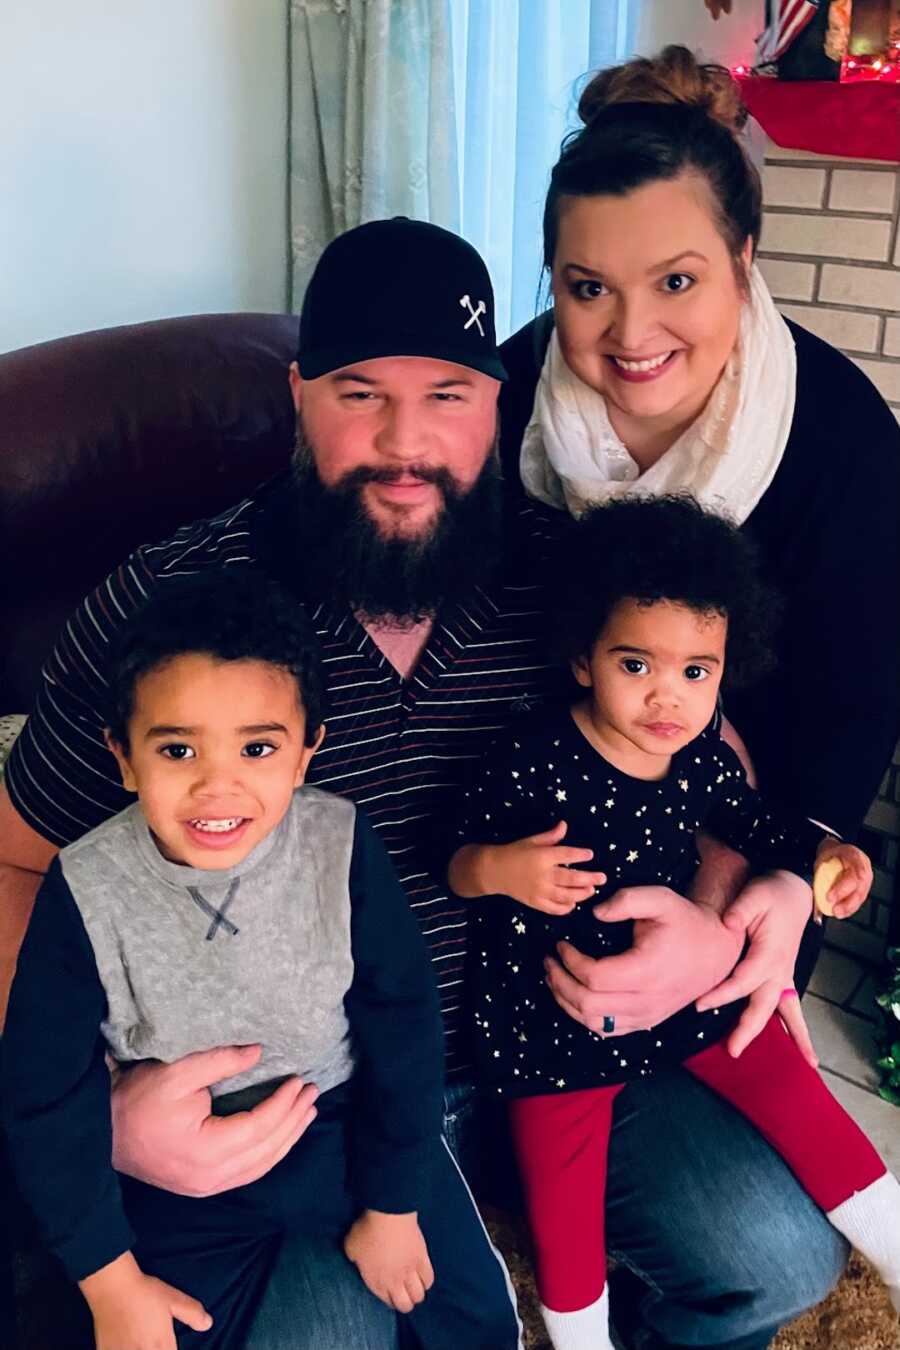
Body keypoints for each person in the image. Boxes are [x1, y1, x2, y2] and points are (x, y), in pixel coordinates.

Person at [0, 216, 850, 1350]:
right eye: (360, 393)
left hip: (559, 1030)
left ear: (498, 401)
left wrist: (711, 926)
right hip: (309, 1100)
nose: (406, 443)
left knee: (778, 1256)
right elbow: (13, 859)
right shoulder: (170, 605)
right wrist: (102, 1112)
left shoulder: (580, 581)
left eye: (448, 393)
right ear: (299, 396)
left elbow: (711, 765)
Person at [3, 571, 521, 1350]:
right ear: (124, 757)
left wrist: (393, 1204)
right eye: (177, 748)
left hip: (342, 1124)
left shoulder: (339, 844)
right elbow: (46, 1091)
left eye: (257, 747)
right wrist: (111, 1283)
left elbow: (404, 1022)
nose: (219, 785)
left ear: (306, 750)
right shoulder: (85, 887)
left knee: (470, 1313)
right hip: (178, 1170)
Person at [498, 46, 900, 1030]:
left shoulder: (840, 437)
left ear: (745, 258)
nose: (632, 334)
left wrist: (773, 891)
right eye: (588, 288)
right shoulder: (505, 400)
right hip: (542, 846)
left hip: (747, 854)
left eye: (676, 281)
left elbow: (854, 701)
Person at [449, 496, 900, 1350]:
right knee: (565, 1204)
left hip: (681, 995)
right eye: (637, 665)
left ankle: (890, 1235)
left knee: (787, 1077)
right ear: (582, 659)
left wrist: (824, 857)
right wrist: (501, 869)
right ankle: (583, 1338)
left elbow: (754, 822)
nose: (669, 697)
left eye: (698, 671)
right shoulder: (532, 756)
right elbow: (453, 853)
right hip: (555, 1025)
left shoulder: (696, 756)